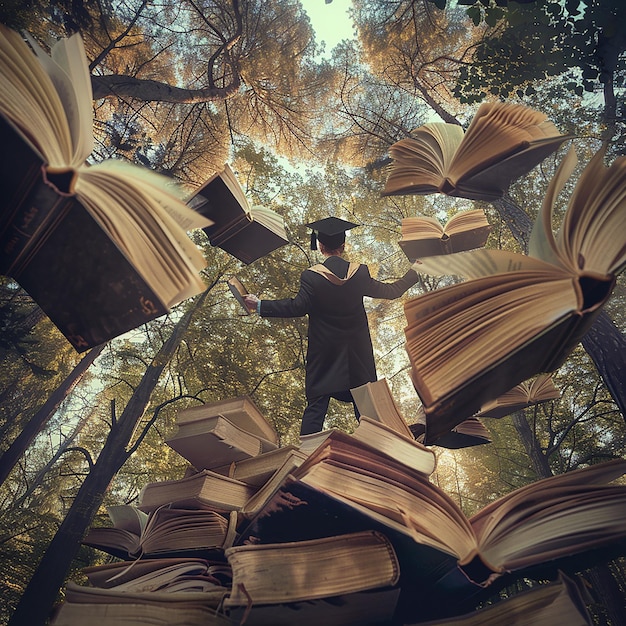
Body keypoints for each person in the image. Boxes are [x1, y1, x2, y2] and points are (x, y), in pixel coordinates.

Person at [243, 217, 420, 436]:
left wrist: (260, 304)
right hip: (357, 357)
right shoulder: (360, 273)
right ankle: (379, 454)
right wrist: (417, 269)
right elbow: (393, 291)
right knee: (367, 413)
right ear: (343, 246)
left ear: (320, 245)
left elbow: (297, 307)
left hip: (324, 356)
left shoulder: (311, 277)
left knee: (315, 410)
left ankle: (305, 457)